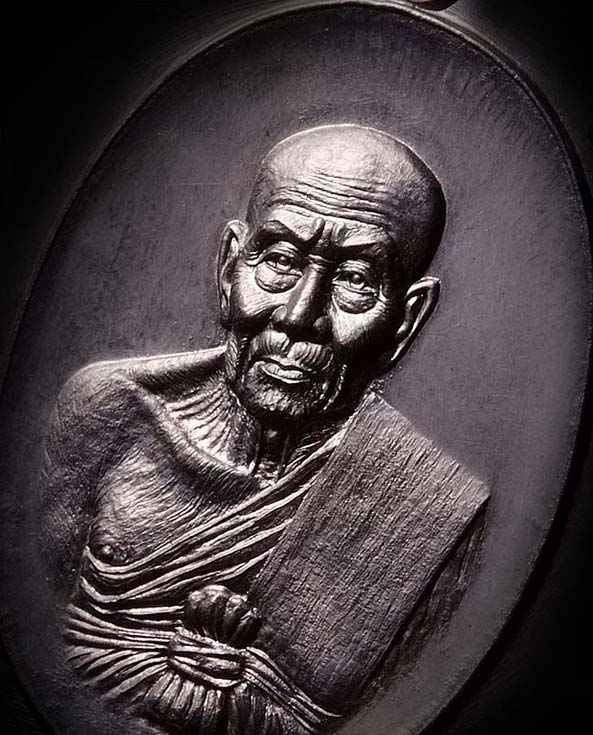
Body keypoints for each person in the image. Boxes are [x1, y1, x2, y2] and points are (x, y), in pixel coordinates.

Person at [40, 124, 489, 734]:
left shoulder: (424, 514)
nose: (300, 316)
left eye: (356, 280)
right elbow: (34, 619)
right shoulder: (110, 414)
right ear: (230, 268)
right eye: (278, 261)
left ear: (405, 322)